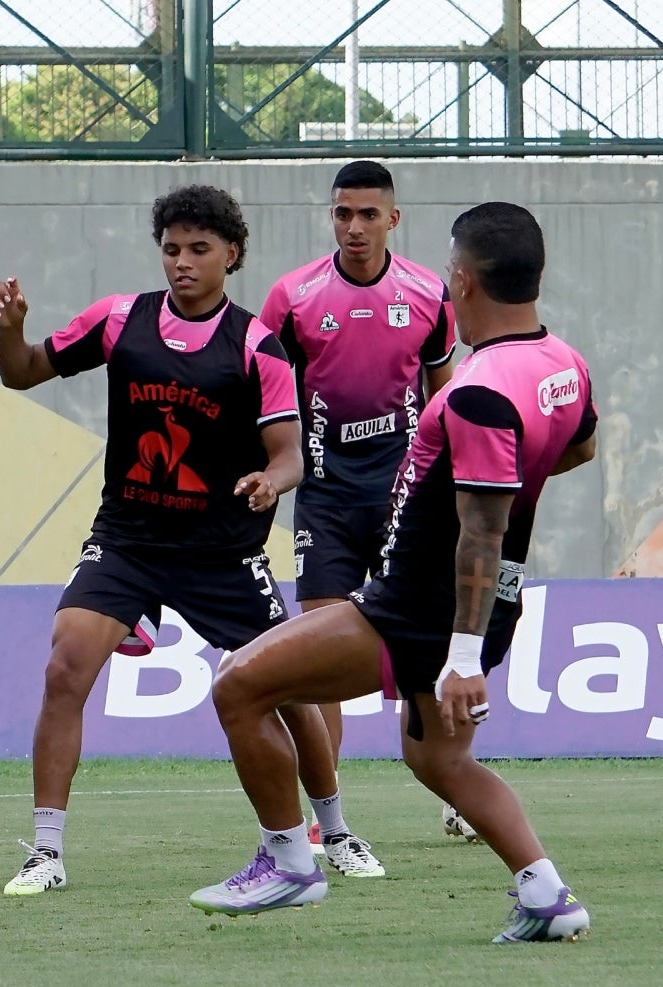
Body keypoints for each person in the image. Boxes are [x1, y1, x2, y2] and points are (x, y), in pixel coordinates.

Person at [192, 202, 597, 944]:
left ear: (463, 281)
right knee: (438, 760)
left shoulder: (480, 390)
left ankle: (289, 863)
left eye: (450, 271)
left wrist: (463, 659)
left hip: (415, 606)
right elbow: (579, 449)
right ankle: (548, 895)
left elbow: (481, 528)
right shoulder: (562, 365)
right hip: (482, 603)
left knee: (240, 685)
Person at [0, 184, 332, 896]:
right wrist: (10, 330)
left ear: (230, 255)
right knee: (64, 668)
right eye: (171, 249)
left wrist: (270, 482)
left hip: (221, 552)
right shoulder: (119, 321)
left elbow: (291, 453)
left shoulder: (257, 346)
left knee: (289, 691)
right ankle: (45, 852)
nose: (182, 262)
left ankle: (337, 826)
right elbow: (20, 373)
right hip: (129, 540)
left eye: (199, 250)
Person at [256, 160, 457, 876]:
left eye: (369, 214)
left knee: (424, 651)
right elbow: (272, 397)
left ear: (392, 219)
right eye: (343, 213)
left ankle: (455, 785)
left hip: (405, 494)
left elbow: (446, 400)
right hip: (328, 497)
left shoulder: (430, 293)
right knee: (316, 655)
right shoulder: (293, 297)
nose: (354, 227)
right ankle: (327, 822)